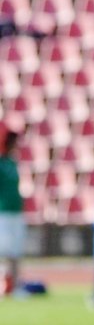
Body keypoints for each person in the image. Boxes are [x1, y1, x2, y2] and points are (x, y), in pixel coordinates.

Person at [0, 127, 23, 297]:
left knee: (15, 251)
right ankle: (5, 284)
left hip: (16, 212)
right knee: (4, 250)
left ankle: (14, 286)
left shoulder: (13, 162)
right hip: (3, 212)